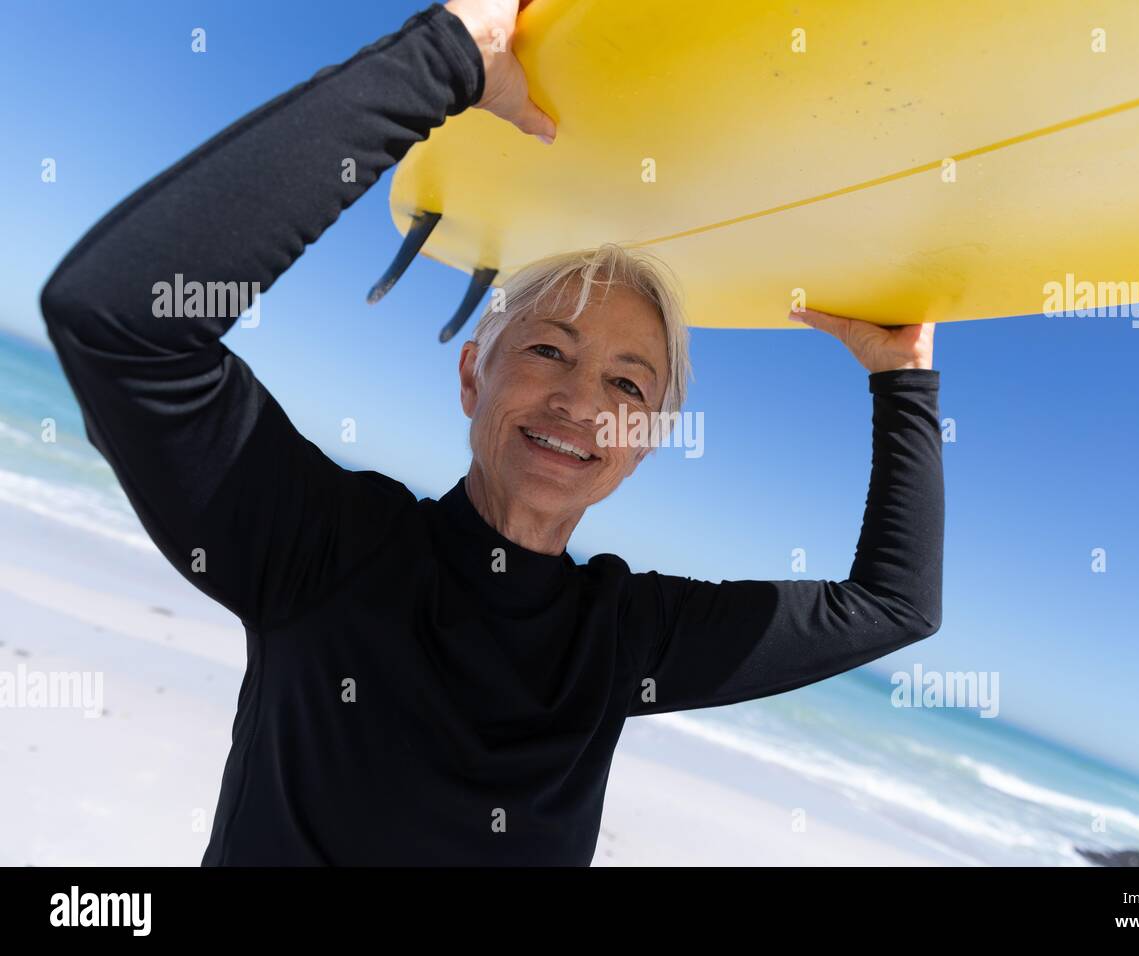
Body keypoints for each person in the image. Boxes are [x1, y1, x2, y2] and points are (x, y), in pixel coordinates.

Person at [38, 0, 944, 865]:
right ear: (474, 373)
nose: (581, 402)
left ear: (645, 439)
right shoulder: (324, 549)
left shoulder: (626, 638)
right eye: (549, 349)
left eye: (628, 383)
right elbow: (121, 321)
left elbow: (893, 607)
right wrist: (445, 61)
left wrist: (901, 380)